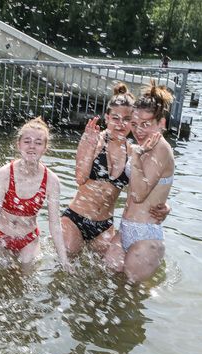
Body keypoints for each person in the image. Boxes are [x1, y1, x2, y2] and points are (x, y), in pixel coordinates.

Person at [61, 84, 169, 258]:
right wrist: (88, 148)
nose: (120, 124)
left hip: (104, 225)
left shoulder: (135, 152)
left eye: (127, 119)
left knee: (107, 273)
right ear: (107, 118)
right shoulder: (93, 141)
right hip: (76, 219)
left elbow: (143, 190)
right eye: (115, 118)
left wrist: (165, 206)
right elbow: (80, 178)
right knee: (67, 259)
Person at [0, 117, 71, 272]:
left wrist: (64, 261)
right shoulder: (4, 174)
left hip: (28, 239)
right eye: (27, 141)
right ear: (18, 145)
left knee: (25, 277)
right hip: (1, 235)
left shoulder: (51, 180)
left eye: (38, 143)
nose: (32, 147)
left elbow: (54, 224)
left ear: (45, 148)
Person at [105, 81, 175, 282]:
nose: (139, 131)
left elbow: (138, 194)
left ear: (161, 123)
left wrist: (134, 157)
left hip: (146, 235)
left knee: (131, 301)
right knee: (108, 285)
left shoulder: (161, 149)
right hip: (125, 228)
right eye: (134, 124)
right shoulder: (141, 146)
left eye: (146, 124)